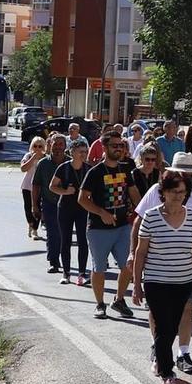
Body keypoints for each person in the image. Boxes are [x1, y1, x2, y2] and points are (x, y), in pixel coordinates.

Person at [127, 170, 192, 384]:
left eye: (182, 192)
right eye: (174, 192)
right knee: (164, 328)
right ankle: (167, 375)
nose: (178, 196)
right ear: (163, 192)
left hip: (184, 282)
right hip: (156, 282)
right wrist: (137, 284)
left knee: (171, 328)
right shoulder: (152, 217)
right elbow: (141, 252)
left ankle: (161, 357)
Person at [78, 133, 138, 320]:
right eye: (114, 145)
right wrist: (101, 213)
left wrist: (144, 212)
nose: (119, 148)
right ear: (104, 148)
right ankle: (99, 303)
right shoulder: (95, 172)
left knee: (128, 265)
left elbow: (135, 195)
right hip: (98, 229)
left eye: (121, 145)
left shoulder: (126, 170)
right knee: (99, 268)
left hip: (122, 227)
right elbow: (82, 199)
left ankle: (119, 300)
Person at [49, 137, 92, 284]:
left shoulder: (88, 169)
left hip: (82, 209)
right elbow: (52, 186)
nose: (83, 154)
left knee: (82, 241)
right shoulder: (63, 168)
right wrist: (66, 191)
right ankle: (66, 274)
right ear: (72, 152)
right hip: (65, 208)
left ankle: (82, 274)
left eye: (85, 151)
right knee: (65, 240)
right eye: (80, 152)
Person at [37, 135, 68, 274]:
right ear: (50, 145)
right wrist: (34, 205)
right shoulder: (43, 164)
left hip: (67, 204)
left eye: (61, 144)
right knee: (52, 233)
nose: (58, 147)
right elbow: (36, 186)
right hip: (49, 203)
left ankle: (67, 263)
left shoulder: (70, 163)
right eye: (55, 144)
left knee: (64, 234)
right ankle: (54, 262)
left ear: (65, 146)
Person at [19, 137, 48, 240]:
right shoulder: (28, 156)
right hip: (27, 185)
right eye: (35, 146)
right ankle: (31, 224)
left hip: (41, 187)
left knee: (38, 208)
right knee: (28, 208)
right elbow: (23, 168)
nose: (37, 148)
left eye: (40, 146)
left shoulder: (46, 158)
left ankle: (35, 229)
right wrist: (33, 158)